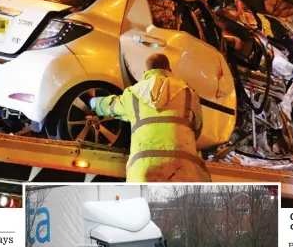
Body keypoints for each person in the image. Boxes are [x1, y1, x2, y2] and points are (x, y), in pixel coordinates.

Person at [89, 53, 211, 182]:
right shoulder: (188, 92)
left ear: (146, 72)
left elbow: (111, 107)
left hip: (143, 172)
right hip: (184, 171)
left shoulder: (133, 93)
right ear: (169, 70)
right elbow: (197, 127)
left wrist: (93, 102)